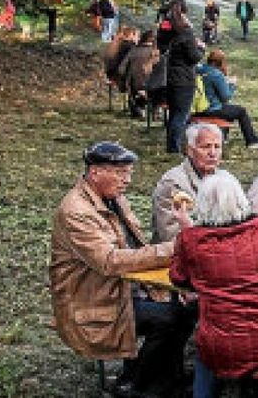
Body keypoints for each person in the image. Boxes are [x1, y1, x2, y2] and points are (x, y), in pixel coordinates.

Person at [50, 142, 194, 398]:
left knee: (191, 306)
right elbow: (110, 262)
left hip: (122, 289)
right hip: (93, 302)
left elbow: (136, 247)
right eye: (120, 173)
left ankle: (163, 378)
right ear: (95, 173)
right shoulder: (76, 211)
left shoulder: (114, 198)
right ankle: (136, 385)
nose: (127, 180)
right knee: (171, 318)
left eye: (128, 172)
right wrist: (172, 248)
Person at [170, 171, 258, 398]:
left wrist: (187, 228)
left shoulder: (192, 240)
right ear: (241, 197)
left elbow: (179, 278)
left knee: (206, 349)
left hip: (227, 345)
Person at [151, 122, 230, 243]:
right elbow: (172, 237)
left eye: (217, 147)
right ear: (190, 151)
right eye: (206, 147)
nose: (212, 153)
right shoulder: (173, 183)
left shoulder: (224, 179)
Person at [158, 0, 205, 154]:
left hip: (169, 76)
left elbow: (161, 46)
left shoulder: (166, 29)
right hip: (184, 78)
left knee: (173, 113)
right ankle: (174, 148)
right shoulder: (186, 32)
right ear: (184, 12)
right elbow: (194, 57)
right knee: (181, 114)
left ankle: (171, 145)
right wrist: (201, 48)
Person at [194, 49, 258, 148]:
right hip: (210, 109)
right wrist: (231, 85)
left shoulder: (200, 69)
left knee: (229, 109)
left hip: (195, 107)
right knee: (241, 111)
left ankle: (223, 136)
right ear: (220, 62)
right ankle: (252, 141)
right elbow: (226, 97)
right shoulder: (216, 74)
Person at [117, 30, 159, 119]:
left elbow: (121, 68)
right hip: (153, 84)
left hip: (134, 84)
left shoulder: (134, 50)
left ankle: (136, 110)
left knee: (132, 86)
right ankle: (154, 111)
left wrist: (124, 78)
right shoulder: (156, 52)